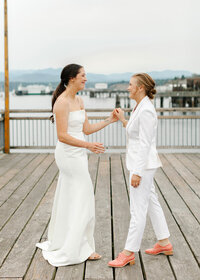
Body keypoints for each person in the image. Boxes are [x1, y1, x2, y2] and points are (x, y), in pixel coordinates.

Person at [36, 64, 117, 266]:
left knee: (74, 198)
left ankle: (78, 244)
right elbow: (62, 136)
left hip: (79, 153)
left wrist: (109, 120)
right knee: (85, 197)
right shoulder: (61, 103)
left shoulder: (79, 100)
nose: (86, 78)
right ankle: (79, 248)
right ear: (71, 78)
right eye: (83, 75)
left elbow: (87, 129)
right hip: (68, 156)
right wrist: (88, 145)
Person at [108, 73, 173, 268]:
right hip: (144, 164)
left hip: (142, 165)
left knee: (137, 209)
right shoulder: (140, 107)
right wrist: (123, 120)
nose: (128, 88)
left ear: (140, 88)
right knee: (151, 201)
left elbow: (145, 144)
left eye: (130, 85)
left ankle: (128, 253)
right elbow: (136, 134)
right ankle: (164, 242)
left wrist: (137, 172)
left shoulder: (146, 110)